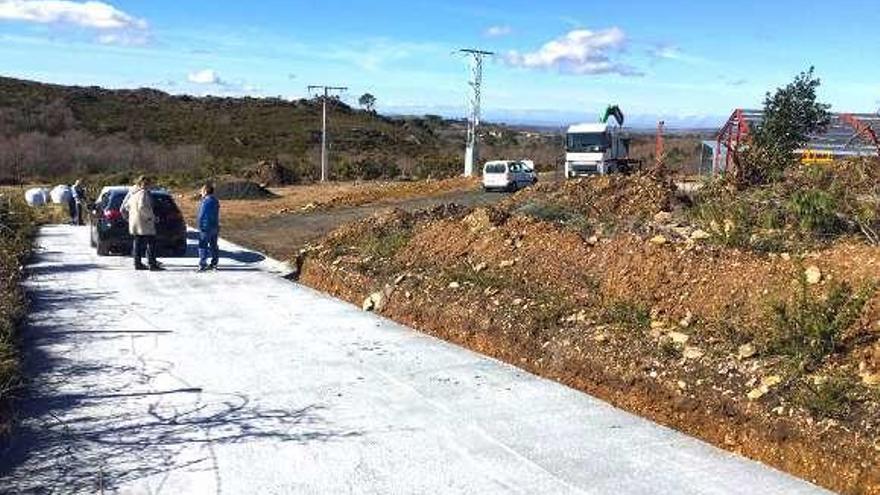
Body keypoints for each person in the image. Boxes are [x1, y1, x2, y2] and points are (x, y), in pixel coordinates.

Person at [121, 176, 163, 271]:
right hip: (144, 222)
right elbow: (142, 207)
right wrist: (151, 217)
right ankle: (152, 264)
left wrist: (132, 215)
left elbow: (127, 206)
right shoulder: (143, 193)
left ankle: (137, 263)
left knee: (137, 242)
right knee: (151, 242)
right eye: (149, 184)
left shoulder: (133, 193)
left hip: (135, 222)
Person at [196, 183, 220, 272]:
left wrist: (199, 225)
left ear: (205, 191)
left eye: (202, 190)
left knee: (203, 245)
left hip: (206, 227)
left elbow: (202, 214)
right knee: (213, 245)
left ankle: (202, 264)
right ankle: (214, 263)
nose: (201, 192)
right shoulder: (215, 200)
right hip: (215, 225)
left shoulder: (205, 201)